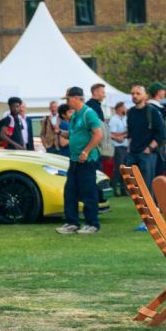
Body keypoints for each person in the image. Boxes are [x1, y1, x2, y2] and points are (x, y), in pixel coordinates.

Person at [57, 86, 103, 235]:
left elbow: (98, 134)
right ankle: (72, 223)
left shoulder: (89, 113)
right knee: (70, 191)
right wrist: (59, 132)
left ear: (76, 98)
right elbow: (72, 134)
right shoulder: (75, 115)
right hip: (74, 160)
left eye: (68, 98)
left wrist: (86, 151)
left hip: (87, 160)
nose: (67, 102)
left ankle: (92, 224)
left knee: (88, 192)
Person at [125, 83, 166, 220]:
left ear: (145, 96)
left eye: (137, 93)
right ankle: (145, 214)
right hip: (133, 153)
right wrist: (129, 147)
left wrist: (149, 148)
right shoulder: (130, 112)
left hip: (147, 154)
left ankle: (151, 215)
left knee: (147, 185)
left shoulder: (152, 111)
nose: (134, 96)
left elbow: (161, 134)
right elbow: (130, 133)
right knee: (134, 187)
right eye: (132, 93)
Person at [108, 102, 129, 195]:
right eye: (124, 107)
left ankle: (124, 189)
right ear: (119, 108)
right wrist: (123, 135)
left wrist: (122, 135)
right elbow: (112, 133)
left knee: (125, 169)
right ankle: (113, 188)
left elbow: (128, 131)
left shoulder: (125, 118)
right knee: (118, 168)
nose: (125, 108)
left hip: (125, 145)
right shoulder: (113, 119)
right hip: (118, 146)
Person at [148, 82, 166, 179]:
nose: (165, 92)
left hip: (160, 144)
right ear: (158, 92)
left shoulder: (159, 107)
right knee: (156, 172)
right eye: (163, 90)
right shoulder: (152, 108)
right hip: (155, 144)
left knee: (160, 170)